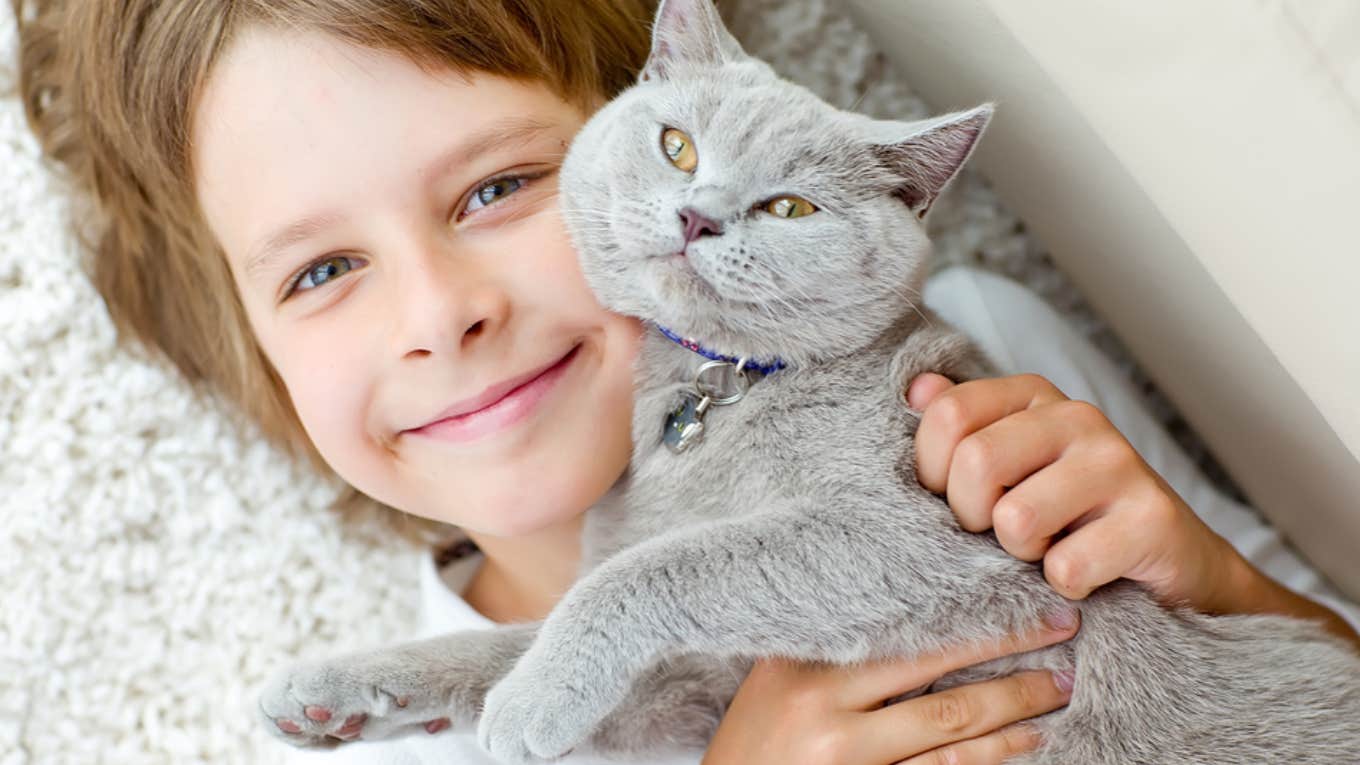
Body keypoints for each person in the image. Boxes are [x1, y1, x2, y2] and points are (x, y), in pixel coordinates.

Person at [16, 2, 1358, 763]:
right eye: (320, 272)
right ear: (253, 351)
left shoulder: (969, 361)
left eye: (496, 188)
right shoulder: (371, 737)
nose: (442, 313)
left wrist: (1214, 579)